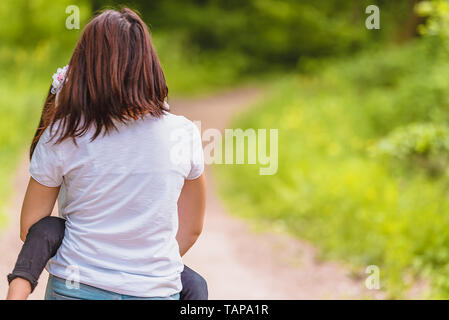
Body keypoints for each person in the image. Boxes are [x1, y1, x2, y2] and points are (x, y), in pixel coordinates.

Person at [6, 8, 207, 300]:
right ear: (149, 65)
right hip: (154, 292)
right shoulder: (182, 133)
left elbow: (31, 228)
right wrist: (141, 269)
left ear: (85, 66)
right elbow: (192, 228)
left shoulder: (65, 132)